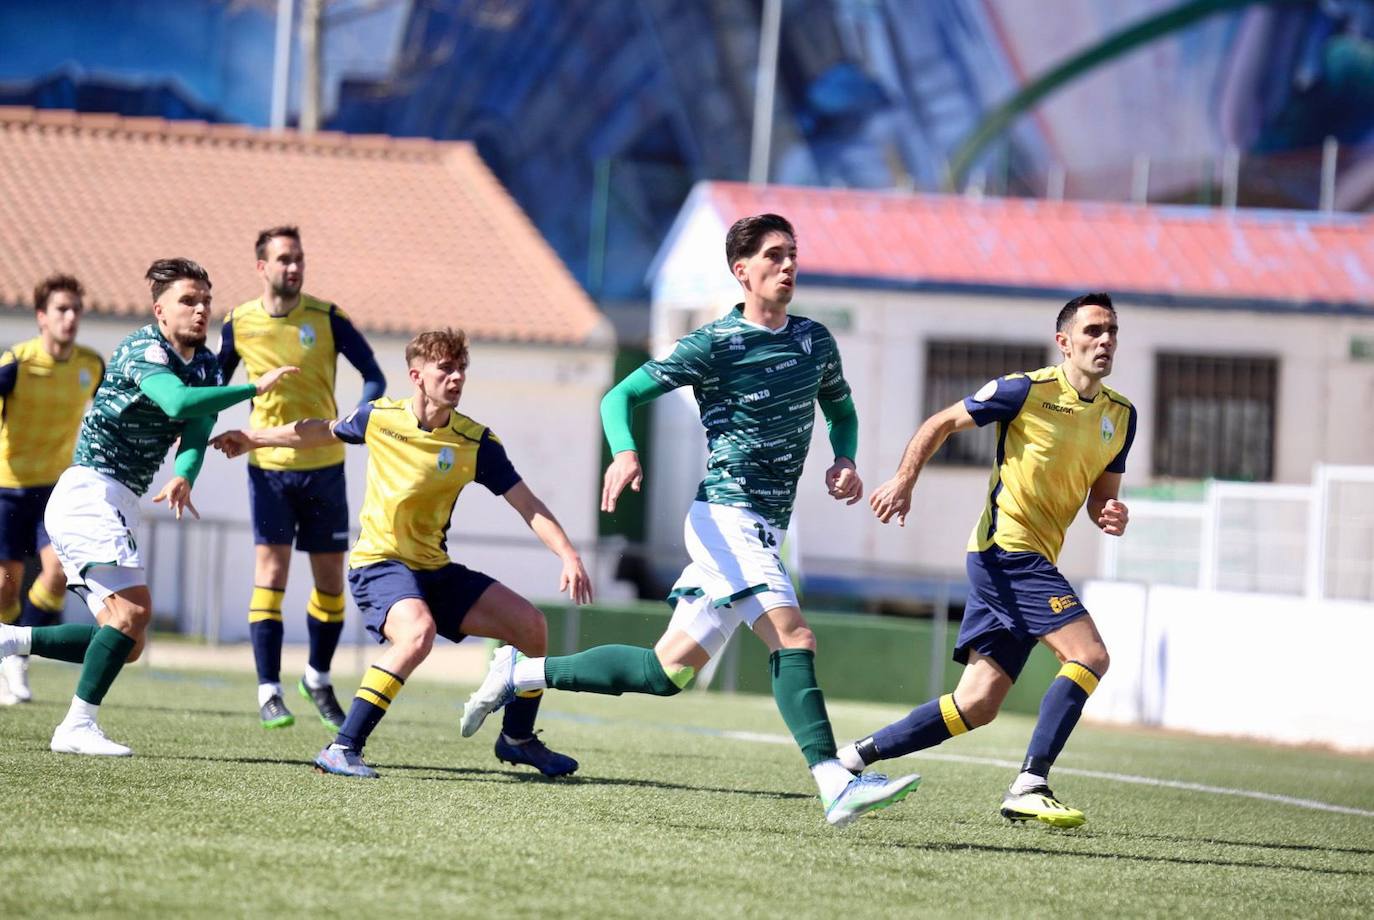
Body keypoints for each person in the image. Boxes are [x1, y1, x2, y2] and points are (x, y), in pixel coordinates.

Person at [461, 213, 919, 828]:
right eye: (774, 256)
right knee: (794, 637)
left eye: (793, 255)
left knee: (665, 672)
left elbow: (840, 407)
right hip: (727, 517)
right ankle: (834, 780)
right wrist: (626, 451)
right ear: (742, 270)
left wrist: (845, 458)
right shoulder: (715, 343)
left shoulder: (815, 340)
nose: (788, 266)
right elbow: (617, 397)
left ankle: (520, 670)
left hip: (762, 527)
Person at [211, 328, 592, 779]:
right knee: (417, 633)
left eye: (461, 369)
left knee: (532, 628)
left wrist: (568, 554)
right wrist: (254, 437)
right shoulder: (381, 418)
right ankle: (342, 747)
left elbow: (528, 504)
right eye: (445, 368)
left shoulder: (475, 443)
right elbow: (319, 432)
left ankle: (517, 739)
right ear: (417, 375)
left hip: (434, 569)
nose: (456, 378)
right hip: (379, 564)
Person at [836, 292, 1135, 828]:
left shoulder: (1120, 416)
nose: (1105, 340)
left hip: (1031, 558)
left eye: (1111, 331)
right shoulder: (1024, 390)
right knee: (1090, 655)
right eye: (1092, 331)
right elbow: (941, 423)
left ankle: (851, 760)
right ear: (1064, 342)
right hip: (1006, 553)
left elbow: (1099, 499)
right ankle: (1031, 781)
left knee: (977, 704)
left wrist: (1108, 513)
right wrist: (904, 482)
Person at [0, 258, 296, 755]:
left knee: (128, 641)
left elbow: (196, 429)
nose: (201, 309)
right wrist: (254, 386)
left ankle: (12, 641)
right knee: (135, 612)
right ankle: (75, 726)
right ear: (160, 310)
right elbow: (178, 403)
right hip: (88, 492)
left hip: (118, 499)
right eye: (188, 300)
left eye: (205, 300)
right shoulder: (143, 348)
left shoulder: (203, 364)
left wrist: (184, 474)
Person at [218, 225, 386, 731]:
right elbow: (214, 387)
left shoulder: (328, 318)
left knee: (331, 584)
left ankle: (316, 677)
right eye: (283, 259)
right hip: (269, 470)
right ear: (261, 266)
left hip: (325, 468)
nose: (293, 267)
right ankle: (268, 690)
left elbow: (373, 373)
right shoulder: (237, 324)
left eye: (299, 258)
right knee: (270, 575)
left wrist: (360, 415)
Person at [0, 275, 104, 705]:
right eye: (62, 309)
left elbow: (110, 414)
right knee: (7, 586)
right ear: (42, 317)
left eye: (76, 309)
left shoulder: (91, 365)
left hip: (56, 491)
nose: (71, 317)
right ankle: (7, 653)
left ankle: (17, 658)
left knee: (58, 572)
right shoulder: (16, 364)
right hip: (7, 486)